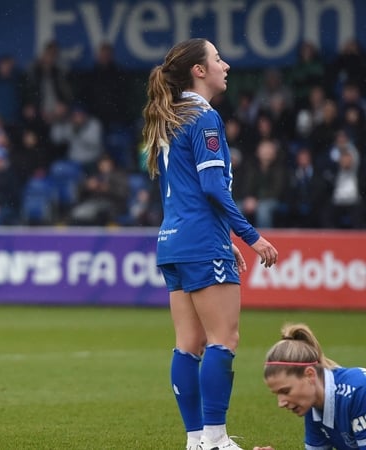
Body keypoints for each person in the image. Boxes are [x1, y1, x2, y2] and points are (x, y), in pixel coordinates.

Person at [140, 38, 279, 450]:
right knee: (224, 340)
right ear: (198, 70)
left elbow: (183, 191)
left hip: (172, 242)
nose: (226, 65)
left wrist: (223, 238)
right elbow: (214, 189)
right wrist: (251, 237)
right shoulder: (204, 118)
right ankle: (216, 440)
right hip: (201, 240)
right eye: (218, 59)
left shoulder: (170, 117)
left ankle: (196, 439)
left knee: (188, 345)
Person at [252, 323, 366, 450]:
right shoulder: (314, 406)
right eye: (277, 394)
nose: (281, 403)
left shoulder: (359, 391)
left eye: (285, 391)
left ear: (310, 375)